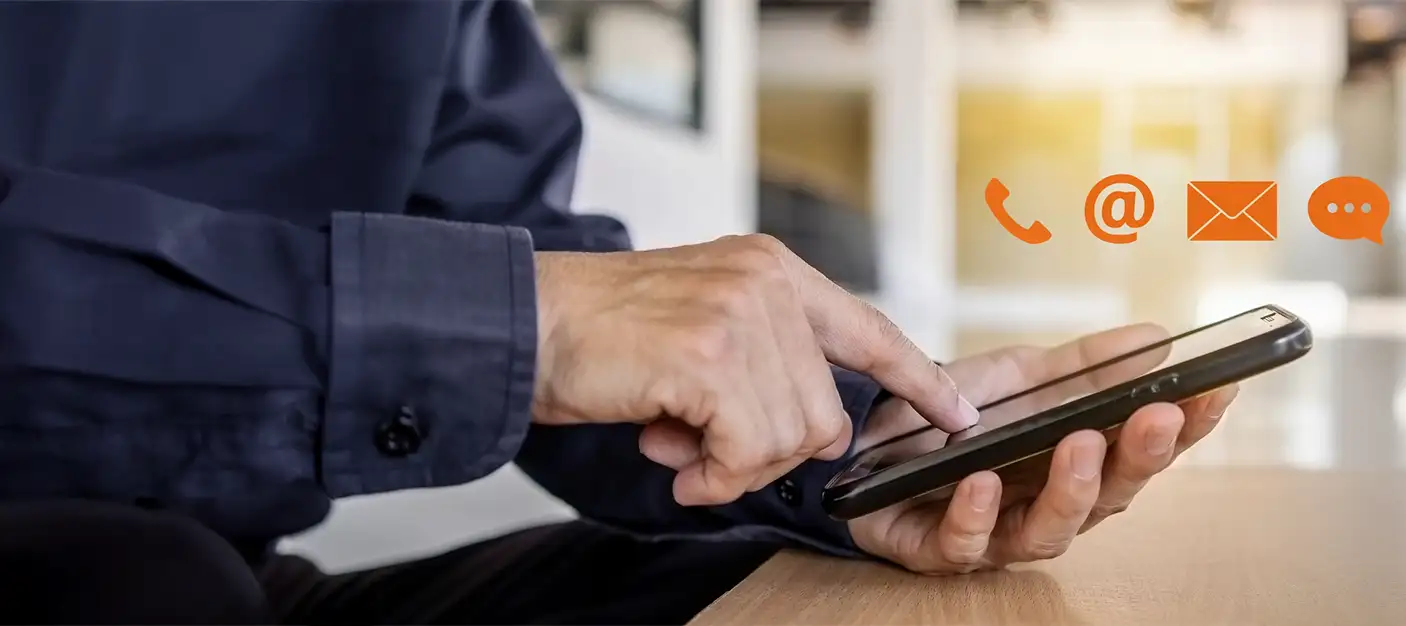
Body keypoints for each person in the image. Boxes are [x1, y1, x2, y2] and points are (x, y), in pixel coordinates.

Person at [0, 1, 1238, 624]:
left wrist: (845, 440)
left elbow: (524, 276)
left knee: (838, 608)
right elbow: (519, 313)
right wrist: (521, 324)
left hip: (228, 574)